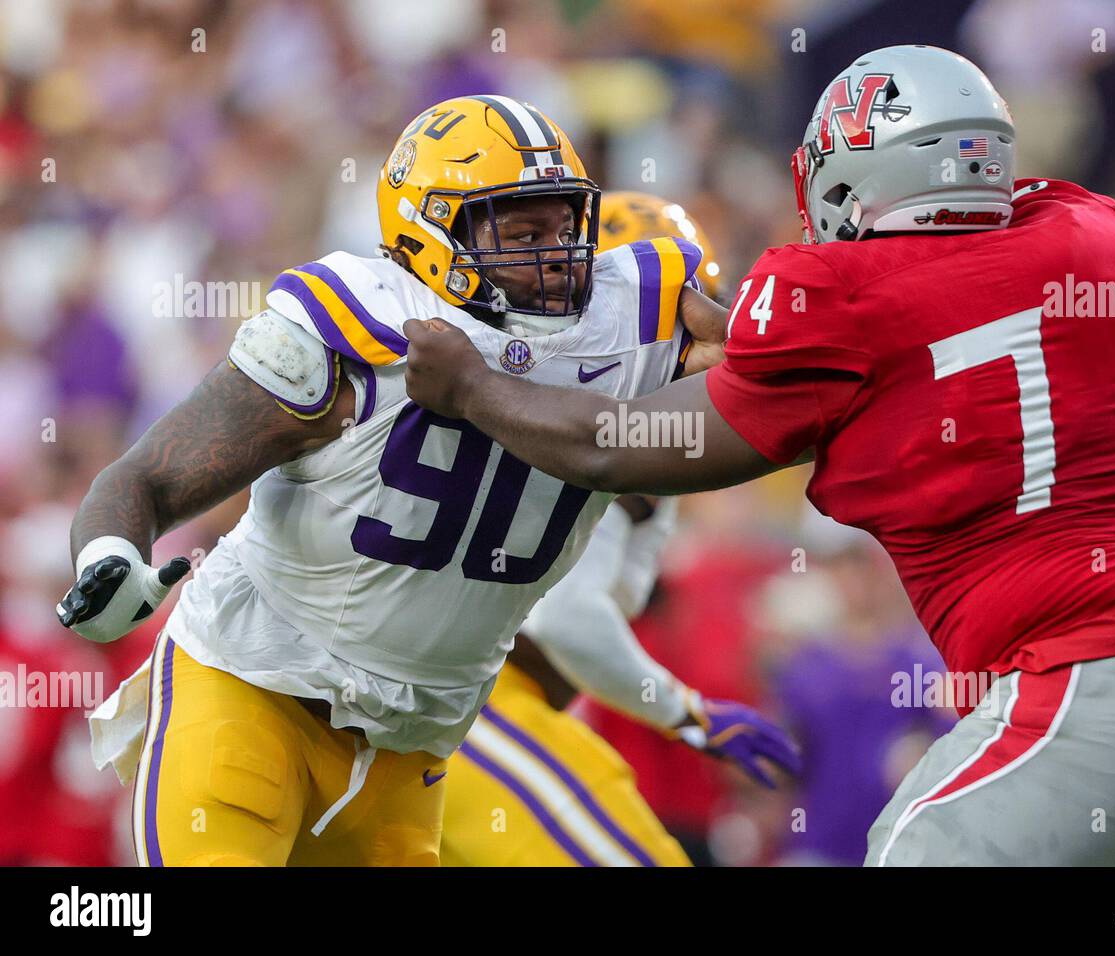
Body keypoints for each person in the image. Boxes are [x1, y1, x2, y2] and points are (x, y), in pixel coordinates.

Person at [401, 48, 1115, 865]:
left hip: (1097, 684)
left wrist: (472, 387)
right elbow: (951, 312)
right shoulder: (1092, 230)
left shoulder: (834, 292)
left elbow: (615, 448)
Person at [57, 95, 794, 866]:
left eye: (564, 226)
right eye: (522, 230)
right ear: (432, 233)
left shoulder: (634, 320)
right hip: (253, 687)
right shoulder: (356, 328)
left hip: (412, 749)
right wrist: (107, 552)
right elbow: (150, 476)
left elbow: (774, 377)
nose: (556, 255)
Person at [440, 192, 797, 867]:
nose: (690, 348)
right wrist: (687, 714)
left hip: (470, 707)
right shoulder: (589, 428)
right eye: (671, 321)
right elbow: (567, 618)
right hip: (462, 706)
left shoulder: (594, 421)